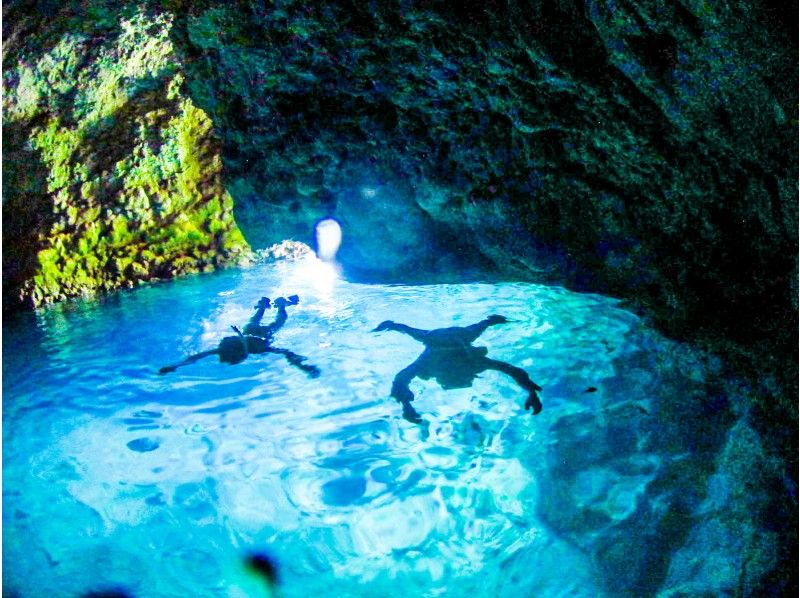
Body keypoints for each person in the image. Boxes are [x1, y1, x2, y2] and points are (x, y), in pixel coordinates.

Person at [372, 315, 542, 423]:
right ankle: (392, 325)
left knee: (482, 325)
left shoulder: (433, 365)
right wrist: (530, 390)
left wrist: (405, 405)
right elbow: (509, 369)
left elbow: (401, 378)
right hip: (455, 336)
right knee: (482, 325)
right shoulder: (470, 363)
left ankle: (391, 324)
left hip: (437, 338)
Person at [159, 295, 320, 377]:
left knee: (279, 321)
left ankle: (278, 305)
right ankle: (269, 305)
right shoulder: (232, 348)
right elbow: (285, 352)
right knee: (255, 321)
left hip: (261, 334)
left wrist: (303, 367)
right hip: (248, 331)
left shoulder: (254, 349)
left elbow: (285, 352)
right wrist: (176, 365)